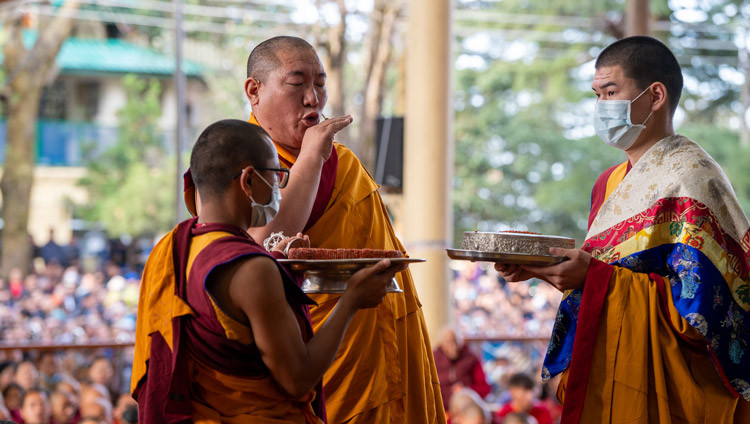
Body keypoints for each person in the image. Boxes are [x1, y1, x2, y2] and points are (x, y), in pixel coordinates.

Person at [182, 35, 444, 424]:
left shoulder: (344, 163)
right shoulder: (241, 162)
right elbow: (256, 244)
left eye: (320, 84)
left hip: (380, 340)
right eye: (297, 83)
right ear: (254, 91)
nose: (313, 99)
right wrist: (310, 158)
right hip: (320, 355)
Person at [495, 35, 750, 423]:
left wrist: (596, 279)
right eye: (596, 95)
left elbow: (710, 313)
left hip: (670, 387)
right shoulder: (608, 183)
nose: (600, 107)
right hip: (612, 368)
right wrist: (542, 268)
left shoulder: (693, 177)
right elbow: (600, 281)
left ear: (656, 95)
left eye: (610, 92)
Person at [132, 120, 405, 423]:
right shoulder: (252, 270)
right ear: (248, 180)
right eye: (276, 176)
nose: (279, 187)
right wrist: (351, 300)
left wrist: (277, 261)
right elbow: (297, 378)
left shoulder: (171, 249)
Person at [433, 327, 491, 409]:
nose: (453, 347)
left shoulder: (471, 358)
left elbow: (485, 388)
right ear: (441, 344)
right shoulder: (434, 358)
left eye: (455, 341)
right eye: (449, 342)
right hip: (439, 408)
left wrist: (466, 390)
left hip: (466, 408)